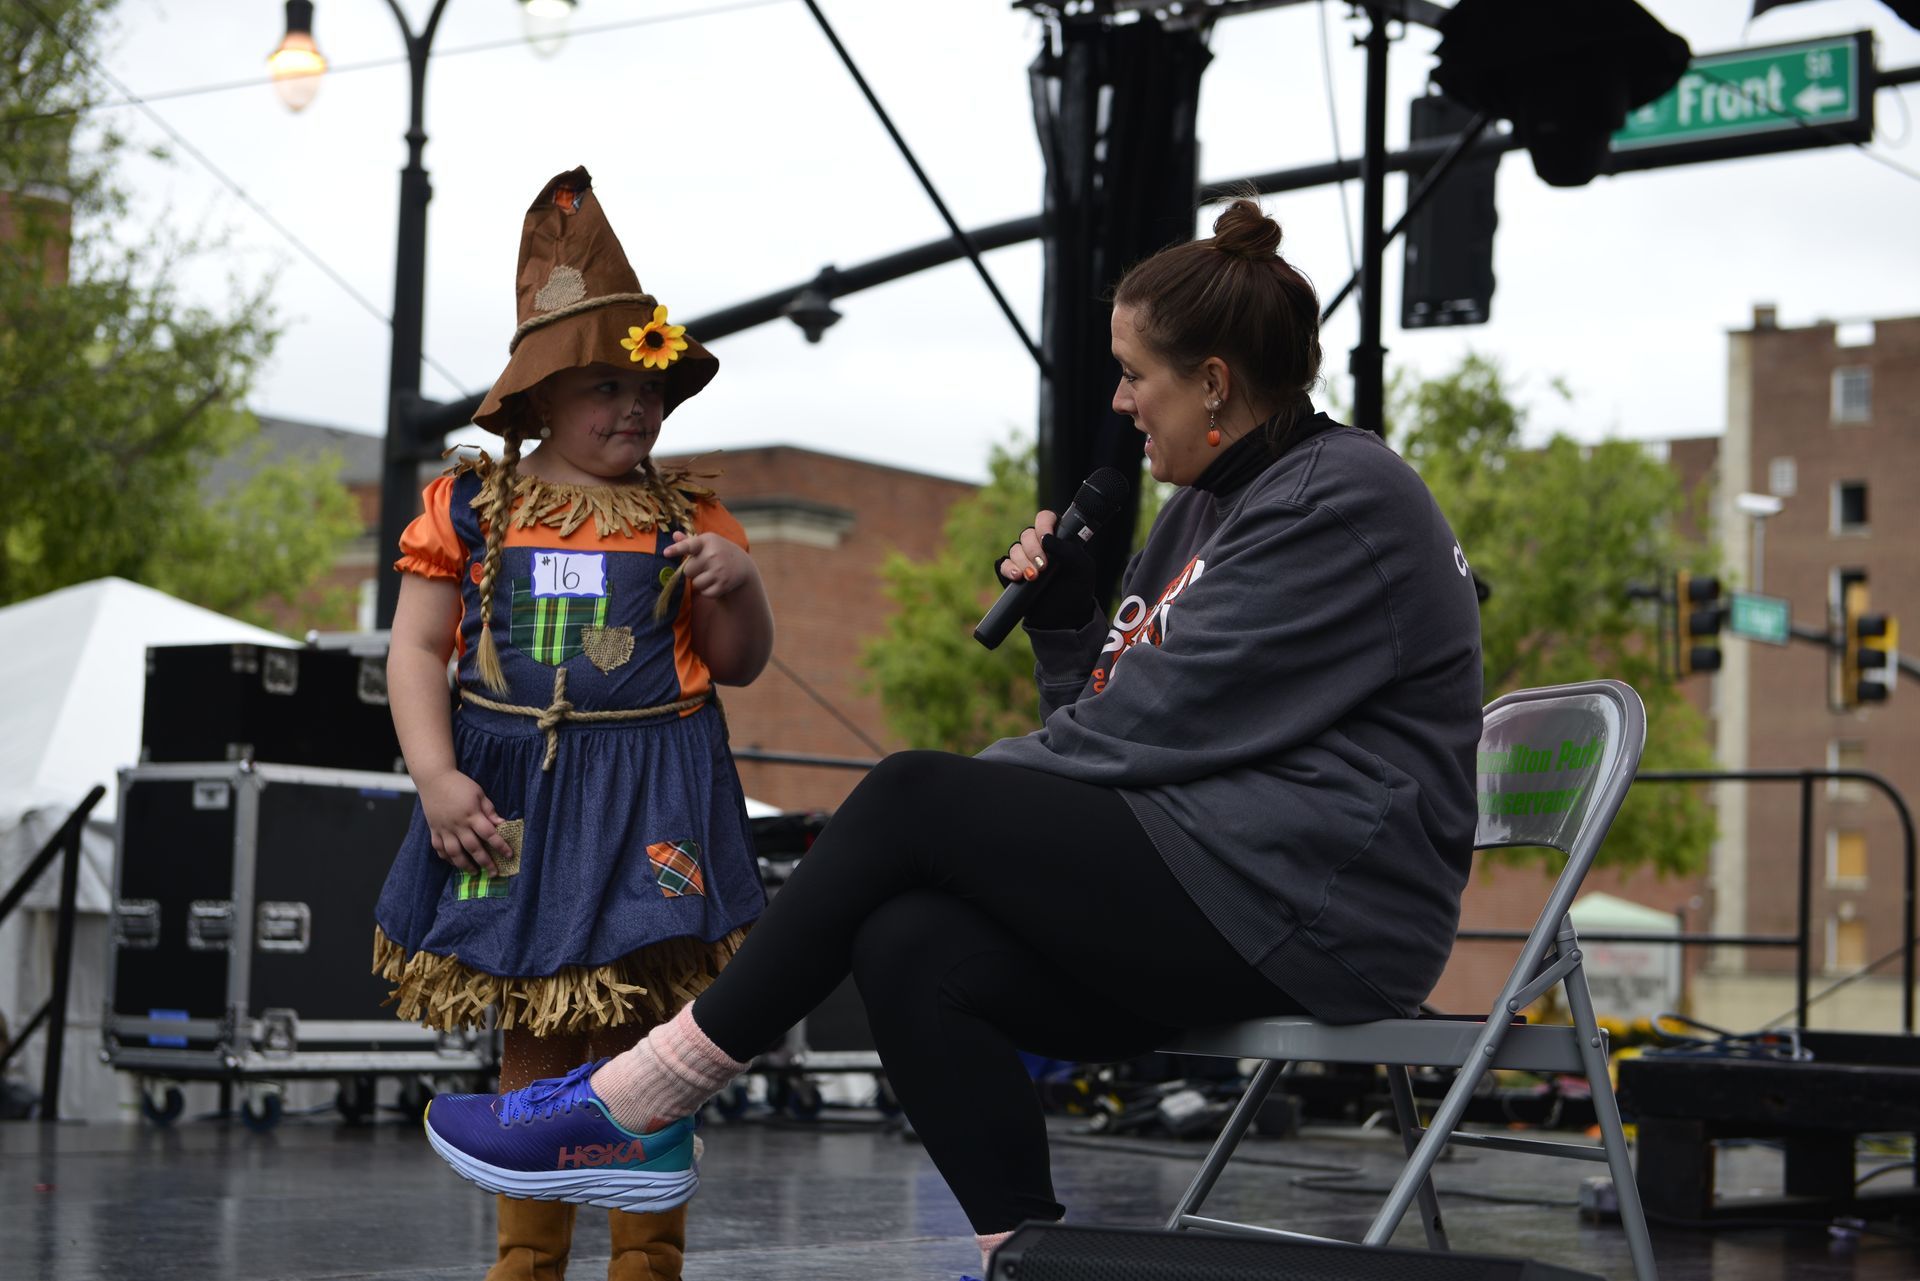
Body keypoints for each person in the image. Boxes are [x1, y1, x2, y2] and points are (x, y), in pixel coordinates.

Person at [422, 198, 1484, 1277]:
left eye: (1135, 375)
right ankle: (1026, 1255)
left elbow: (1137, 739)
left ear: (1212, 381)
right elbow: (1112, 728)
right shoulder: (1210, 507)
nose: (1120, 404)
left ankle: (641, 1099)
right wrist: (1071, 623)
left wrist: (904, 826)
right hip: (1228, 874)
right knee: (911, 946)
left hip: (1319, 911)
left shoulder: (1339, 500)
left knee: (911, 798)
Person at [374, 165, 772, 1281]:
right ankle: (525, 1258)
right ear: (540, 397)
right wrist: (436, 777)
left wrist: (737, 585)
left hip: (657, 792)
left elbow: (737, 666)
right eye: (603, 387)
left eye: (645, 388)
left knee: (654, 1034)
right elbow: (414, 648)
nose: (633, 408)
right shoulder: (470, 507)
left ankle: (648, 1263)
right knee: (541, 1027)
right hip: (521, 800)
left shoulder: (692, 516)